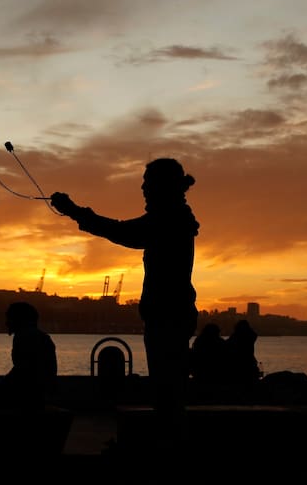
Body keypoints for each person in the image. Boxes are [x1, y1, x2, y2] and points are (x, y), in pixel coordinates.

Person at [51, 157, 199, 445]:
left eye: (147, 183)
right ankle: (170, 446)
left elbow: (121, 232)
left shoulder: (168, 219)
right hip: (173, 315)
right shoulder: (175, 216)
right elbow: (125, 232)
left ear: (161, 186)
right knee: (168, 391)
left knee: (167, 392)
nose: (143, 188)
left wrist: (73, 211)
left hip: (167, 317)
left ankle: (171, 451)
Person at [1, 301, 58, 409]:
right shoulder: (41, 337)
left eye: (9, 318)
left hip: (30, 396)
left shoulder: (24, 337)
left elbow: (23, 371)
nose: (7, 323)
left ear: (18, 320)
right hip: (39, 394)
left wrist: (4, 384)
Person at [226, 319, 262, 385]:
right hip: (250, 364)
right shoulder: (250, 337)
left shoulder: (235, 337)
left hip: (238, 366)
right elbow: (254, 334)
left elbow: (227, 345)